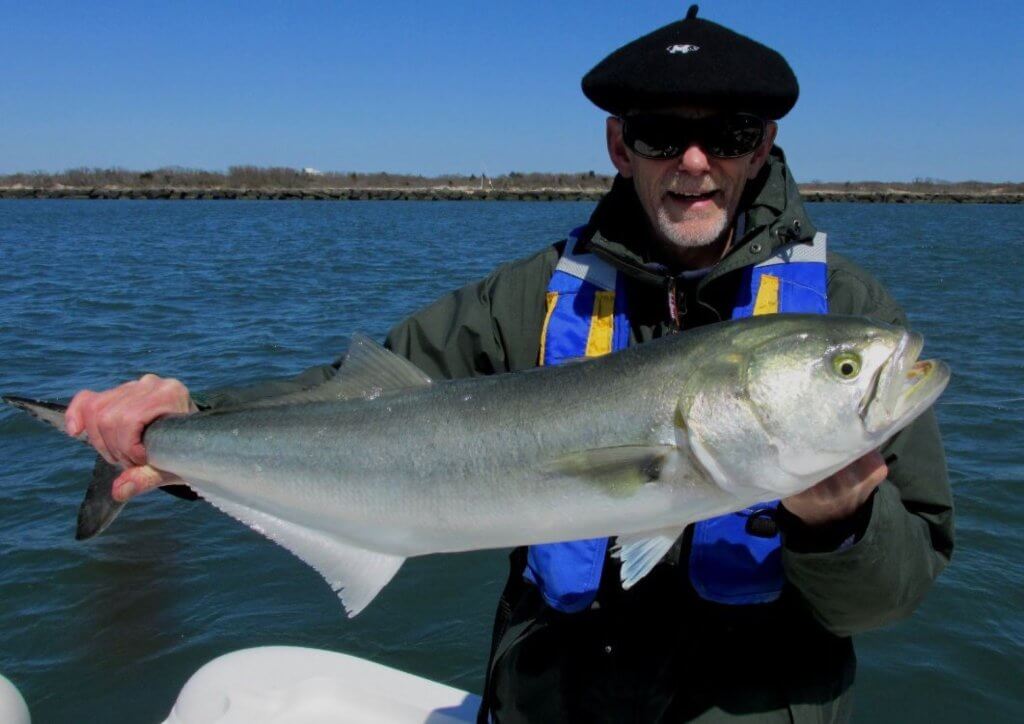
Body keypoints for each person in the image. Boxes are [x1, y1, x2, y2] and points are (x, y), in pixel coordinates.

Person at [63, 7, 953, 723]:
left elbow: (890, 598)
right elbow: (354, 400)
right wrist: (183, 426)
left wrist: (838, 529)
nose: (695, 162)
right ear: (618, 145)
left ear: (762, 148)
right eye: (657, 134)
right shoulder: (525, 299)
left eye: (730, 133)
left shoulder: (851, 313)